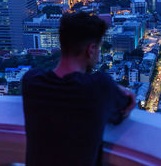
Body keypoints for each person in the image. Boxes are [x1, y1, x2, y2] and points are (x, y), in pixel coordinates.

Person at [22, 12, 136, 166]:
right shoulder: (99, 87)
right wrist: (117, 88)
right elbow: (125, 106)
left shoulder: (32, 83)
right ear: (91, 50)